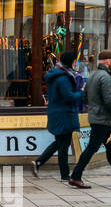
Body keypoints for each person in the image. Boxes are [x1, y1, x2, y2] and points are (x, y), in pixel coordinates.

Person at [68, 49, 111, 189]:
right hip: (102, 119)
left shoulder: (93, 75)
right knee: (92, 148)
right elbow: (110, 100)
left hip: (97, 117)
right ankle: (75, 176)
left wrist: (95, 105)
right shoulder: (106, 77)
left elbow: (85, 97)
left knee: (110, 148)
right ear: (108, 61)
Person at [32, 49, 83, 181]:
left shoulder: (55, 74)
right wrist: (83, 92)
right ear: (70, 62)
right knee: (63, 146)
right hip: (64, 114)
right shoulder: (63, 78)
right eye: (74, 61)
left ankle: (39, 162)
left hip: (56, 112)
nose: (75, 63)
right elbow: (69, 97)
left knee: (60, 143)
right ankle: (65, 175)